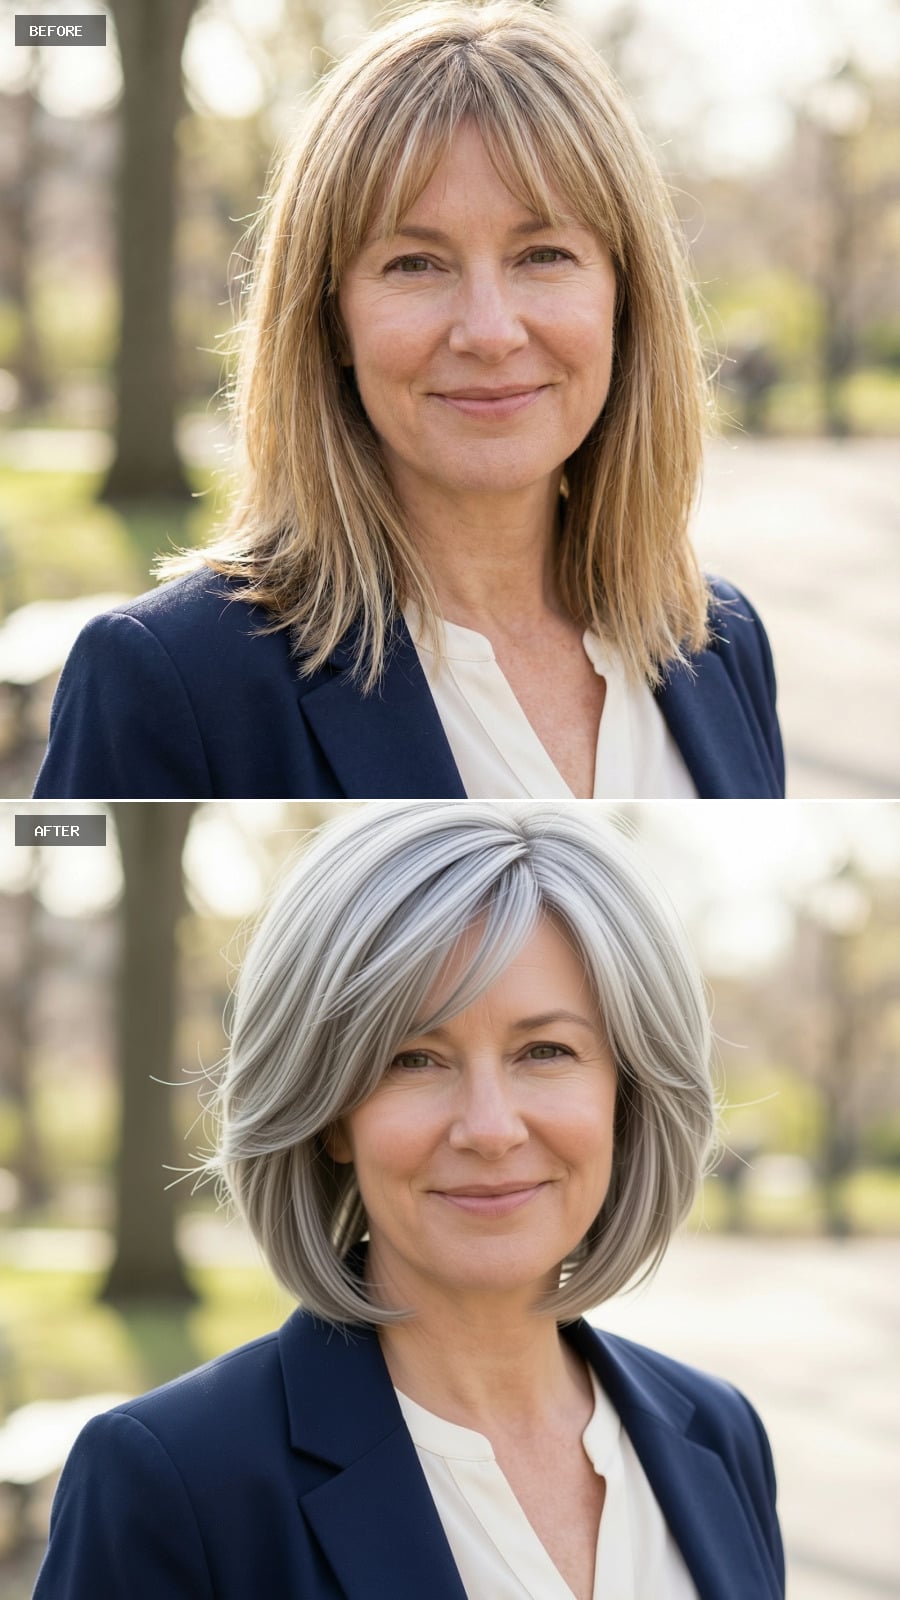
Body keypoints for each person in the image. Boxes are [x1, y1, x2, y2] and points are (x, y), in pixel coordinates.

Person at [34, 1, 783, 802]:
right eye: (415, 264)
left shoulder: (720, 641)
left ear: (624, 299)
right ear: (331, 319)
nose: (490, 332)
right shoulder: (167, 676)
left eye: (544, 254)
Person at [35, 802, 785, 1599]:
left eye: (546, 1051)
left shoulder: (719, 1432)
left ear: (625, 1096)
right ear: (329, 1116)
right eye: (414, 1059)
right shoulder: (173, 1481)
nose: (490, 1129)